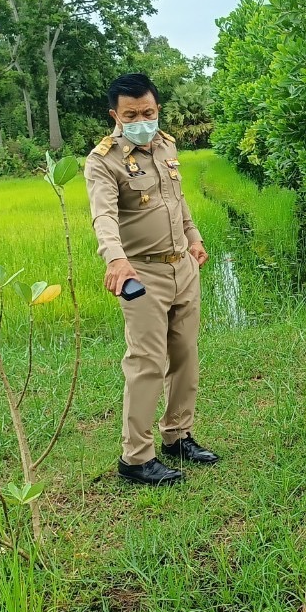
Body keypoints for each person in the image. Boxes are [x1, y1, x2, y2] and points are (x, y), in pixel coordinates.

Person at [84, 73, 219, 485]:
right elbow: (104, 216)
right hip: (141, 273)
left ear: (157, 109)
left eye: (148, 111)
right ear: (115, 115)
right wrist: (115, 260)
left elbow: (177, 202)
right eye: (131, 114)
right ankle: (135, 457)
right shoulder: (102, 160)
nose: (141, 119)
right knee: (146, 363)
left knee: (184, 355)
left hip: (183, 267)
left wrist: (194, 239)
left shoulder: (167, 145)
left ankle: (177, 435)